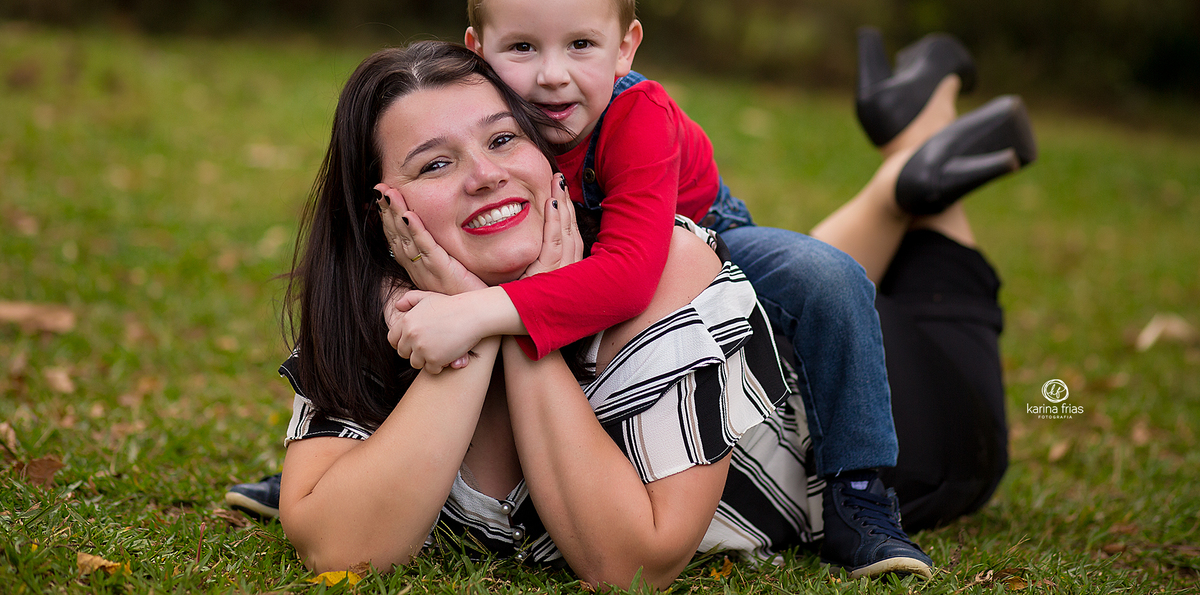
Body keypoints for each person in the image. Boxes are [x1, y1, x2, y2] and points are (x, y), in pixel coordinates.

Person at [271, 40, 829, 587]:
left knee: (854, 280)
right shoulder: (376, 304)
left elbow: (631, 568)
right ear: (383, 213)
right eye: (435, 164)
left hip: (884, 434)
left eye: (504, 138)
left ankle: (897, 191)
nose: (485, 175)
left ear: (550, 158)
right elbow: (341, 549)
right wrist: (477, 319)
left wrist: (506, 316)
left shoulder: (666, 270)